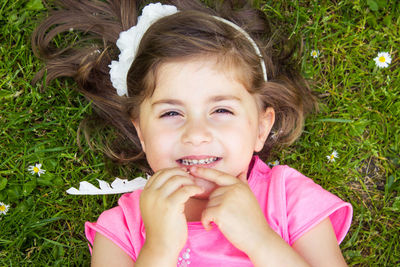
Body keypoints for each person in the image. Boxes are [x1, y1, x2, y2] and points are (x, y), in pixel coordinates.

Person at [32, 0, 353, 266]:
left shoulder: (288, 198)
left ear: (260, 128)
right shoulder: (123, 227)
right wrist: (158, 249)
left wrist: (259, 239)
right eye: (171, 113)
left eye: (222, 110)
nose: (196, 134)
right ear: (141, 131)